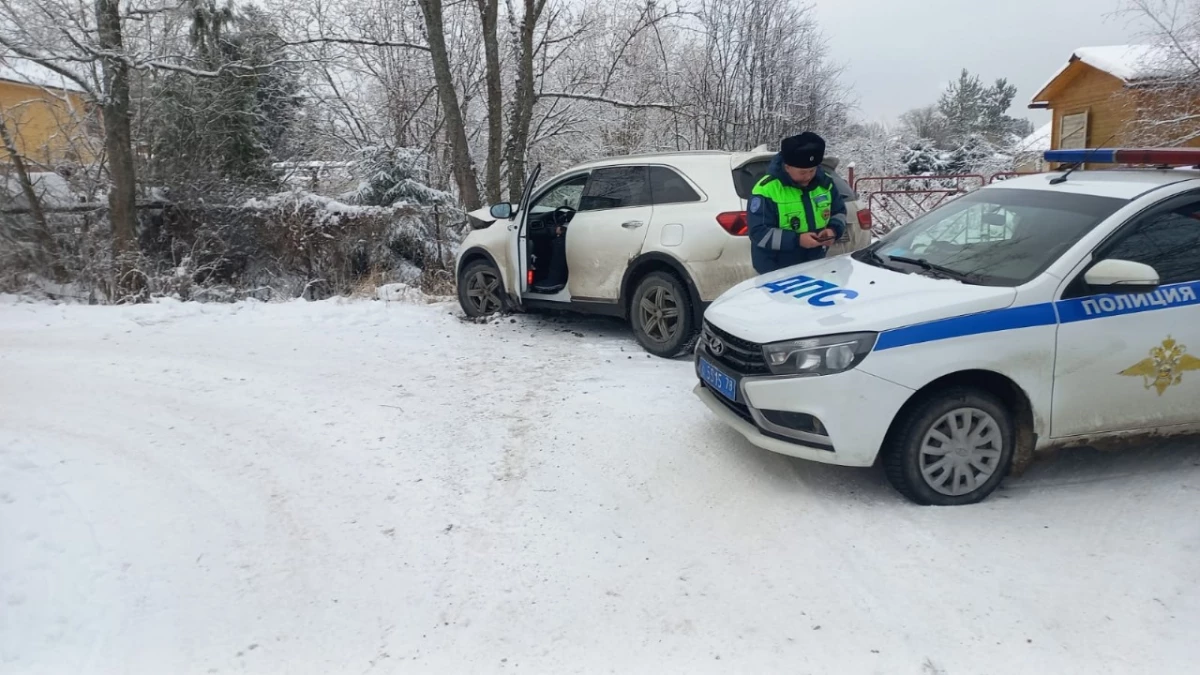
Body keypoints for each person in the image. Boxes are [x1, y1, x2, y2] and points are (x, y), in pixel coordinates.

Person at [747, 132, 847, 275]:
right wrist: (797, 240)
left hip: (815, 264)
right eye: (802, 172)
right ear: (787, 167)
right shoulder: (766, 190)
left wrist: (833, 230)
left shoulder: (825, 183)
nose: (808, 176)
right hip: (775, 270)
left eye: (812, 170)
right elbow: (758, 232)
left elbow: (839, 212)